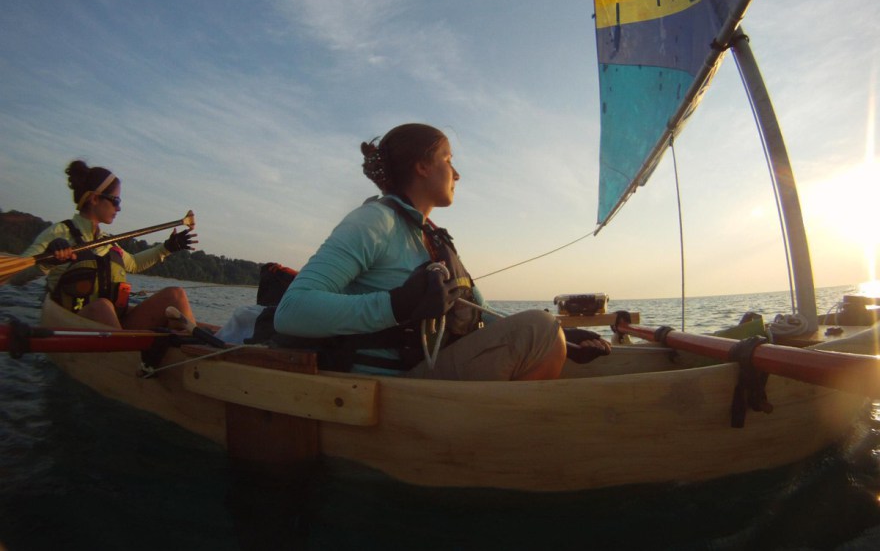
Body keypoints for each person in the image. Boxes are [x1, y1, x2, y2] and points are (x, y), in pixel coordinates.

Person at [272, 123, 610, 380]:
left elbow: (481, 312)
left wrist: (563, 338)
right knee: (539, 329)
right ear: (422, 166)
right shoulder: (375, 221)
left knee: (545, 329)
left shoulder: (435, 238)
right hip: (393, 386)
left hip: (435, 370)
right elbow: (291, 311)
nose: (457, 174)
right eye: (448, 160)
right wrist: (396, 305)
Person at [21, 160, 197, 329]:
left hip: (111, 326)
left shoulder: (106, 241)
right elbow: (17, 276)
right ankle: (125, 349)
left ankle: (192, 346)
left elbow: (133, 263)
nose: (118, 208)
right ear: (94, 199)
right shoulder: (58, 233)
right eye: (116, 201)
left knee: (175, 295)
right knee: (102, 307)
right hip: (72, 325)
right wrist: (46, 262)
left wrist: (167, 248)